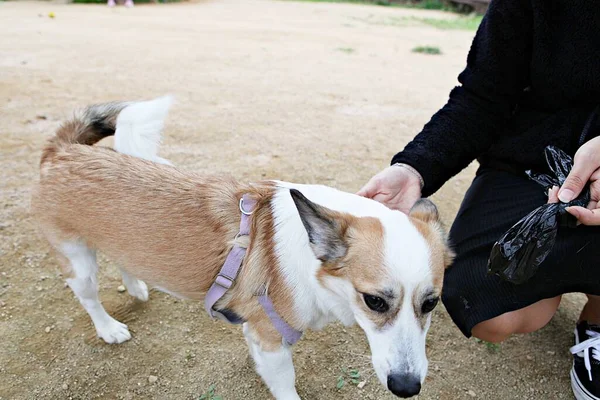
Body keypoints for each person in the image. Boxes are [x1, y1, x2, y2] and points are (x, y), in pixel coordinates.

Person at [358, 1, 600, 399]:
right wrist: (415, 168)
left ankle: (597, 316)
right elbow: (484, 94)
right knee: (484, 302)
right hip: (533, 154)